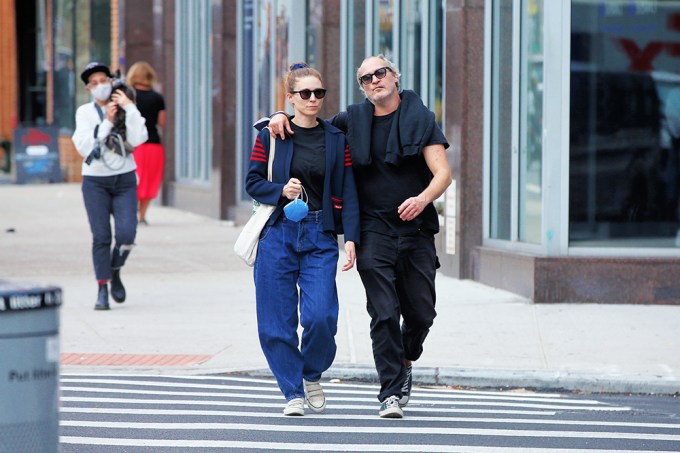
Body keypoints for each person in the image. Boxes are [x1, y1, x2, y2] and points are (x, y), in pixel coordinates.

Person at [268, 55, 452, 418]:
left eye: (379, 73)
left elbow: (442, 173)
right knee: (384, 312)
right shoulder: (351, 120)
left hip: (415, 230)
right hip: (371, 230)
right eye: (365, 78)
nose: (374, 81)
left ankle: (406, 355)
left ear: (395, 76)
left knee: (421, 313)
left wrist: (423, 198)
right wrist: (278, 117)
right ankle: (390, 394)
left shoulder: (421, 120)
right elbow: (309, 126)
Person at [246, 62, 360, 416]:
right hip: (278, 233)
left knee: (322, 315)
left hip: (319, 233)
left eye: (319, 93)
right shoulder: (270, 134)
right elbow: (251, 182)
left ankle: (311, 373)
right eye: (305, 93)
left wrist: (351, 237)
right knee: (276, 320)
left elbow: (349, 191)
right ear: (290, 98)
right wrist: (281, 190)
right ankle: (292, 390)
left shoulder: (335, 138)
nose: (313, 99)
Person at [72, 62, 148, 310]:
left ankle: (115, 270)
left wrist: (130, 108)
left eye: (103, 80)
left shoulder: (127, 109)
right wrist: (106, 122)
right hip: (95, 181)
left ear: (112, 82)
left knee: (127, 235)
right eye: (94, 83)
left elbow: (139, 138)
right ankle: (102, 288)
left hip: (125, 179)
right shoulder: (85, 112)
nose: (100, 86)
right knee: (101, 237)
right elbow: (84, 146)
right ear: (88, 89)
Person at [126, 61, 166, 225]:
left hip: (134, 145)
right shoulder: (157, 97)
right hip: (154, 144)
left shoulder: (129, 96)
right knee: (151, 180)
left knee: (133, 179)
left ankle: (130, 211)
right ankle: (142, 216)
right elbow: (162, 122)